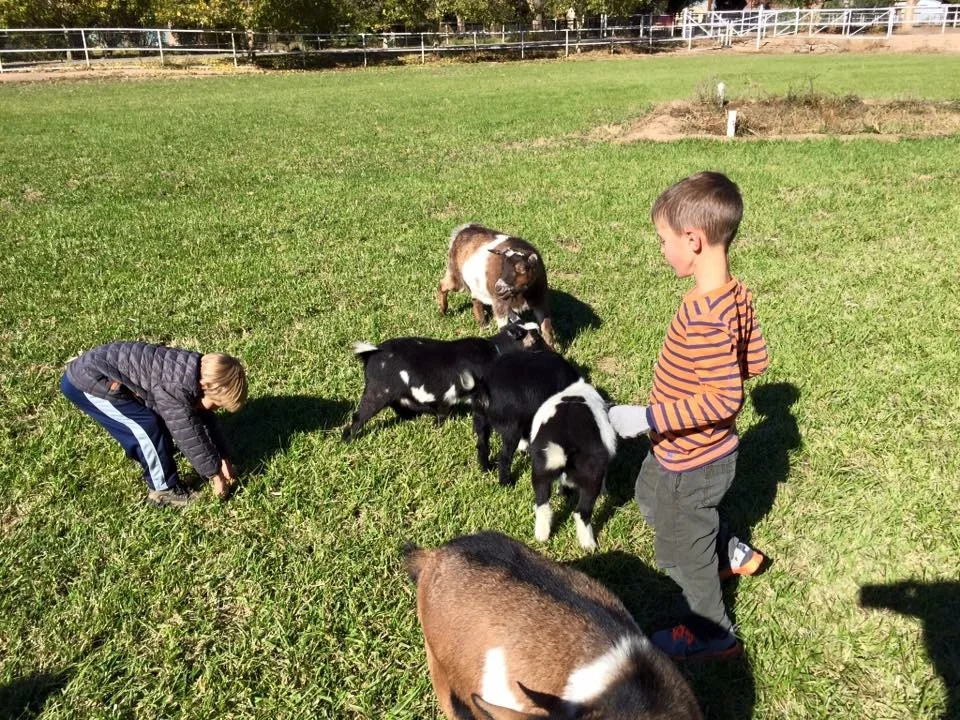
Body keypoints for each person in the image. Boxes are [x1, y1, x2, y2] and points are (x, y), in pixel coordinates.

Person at [609, 171, 769, 660]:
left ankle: (712, 632)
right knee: (648, 496)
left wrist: (649, 417)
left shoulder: (706, 318)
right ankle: (726, 552)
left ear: (693, 240)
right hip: (685, 453)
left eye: (663, 240)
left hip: (693, 459)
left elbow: (724, 401)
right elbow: (756, 360)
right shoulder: (733, 293)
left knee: (679, 549)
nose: (661, 249)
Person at [60, 341, 247, 507]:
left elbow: (204, 422)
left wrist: (223, 458)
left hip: (103, 372)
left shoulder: (194, 373)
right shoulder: (175, 388)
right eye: (216, 404)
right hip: (88, 382)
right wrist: (215, 475)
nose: (214, 409)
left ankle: (164, 473)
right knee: (147, 428)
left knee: (167, 421)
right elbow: (188, 435)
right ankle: (163, 491)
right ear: (206, 386)